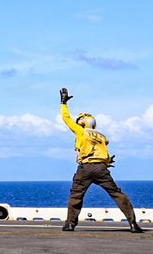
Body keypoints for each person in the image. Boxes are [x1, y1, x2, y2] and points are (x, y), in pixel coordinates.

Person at [59, 87, 145, 233]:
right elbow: (105, 154)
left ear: (82, 123)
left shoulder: (81, 132)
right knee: (117, 193)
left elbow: (66, 119)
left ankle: (70, 224)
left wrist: (63, 103)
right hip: (101, 168)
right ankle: (133, 223)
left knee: (76, 195)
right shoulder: (101, 136)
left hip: (86, 167)